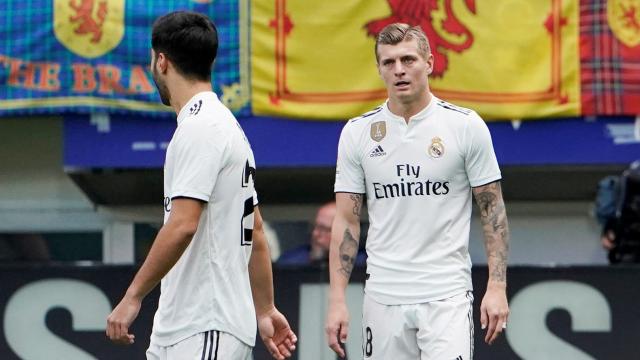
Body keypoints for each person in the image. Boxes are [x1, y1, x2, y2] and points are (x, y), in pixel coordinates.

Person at [106, 11, 296, 360]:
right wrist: (266, 309)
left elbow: (183, 223)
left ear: (160, 61)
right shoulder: (224, 125)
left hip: (206, 324)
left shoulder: (200, 128)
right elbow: (256, 232)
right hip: (186, 327)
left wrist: (133, 295)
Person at [325, 23, 510, 359]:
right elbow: (346, 221)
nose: (399, 70)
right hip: (383, 296)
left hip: (446, 295)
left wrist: (497, 286)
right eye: (388, 62)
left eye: (408, 59)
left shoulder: (465, 126)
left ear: (429, 63)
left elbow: (492, 211)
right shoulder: (357, 133)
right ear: (379, 69)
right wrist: (337, 299)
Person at [277, 202, 366, 266]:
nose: (315, 233)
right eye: (315, 227)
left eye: (324, 229)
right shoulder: (291, 263)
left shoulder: (365, 264)